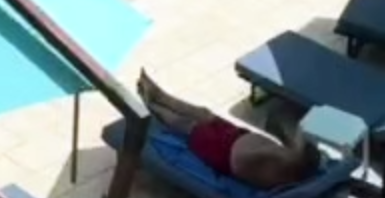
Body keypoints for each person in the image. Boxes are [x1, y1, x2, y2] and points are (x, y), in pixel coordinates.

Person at [137, 71, 321, 191]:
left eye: (299, 148)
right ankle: (161, 96)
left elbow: (241, 166)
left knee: (188, 125)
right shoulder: (290, 158)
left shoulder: (278, 175)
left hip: (223, 152)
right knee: (204, 113)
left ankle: (152, 105)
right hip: (235, 136)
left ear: (299, 161)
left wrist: (271, 149)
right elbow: (287, 128)